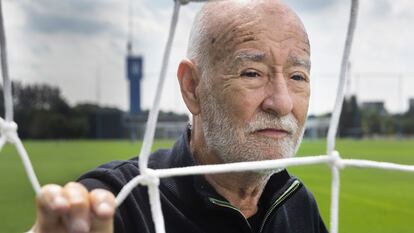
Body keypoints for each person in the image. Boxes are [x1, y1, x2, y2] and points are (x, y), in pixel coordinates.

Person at [31, 0, 328, 232]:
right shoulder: (121, 202)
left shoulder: (296, 202)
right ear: (192, 87)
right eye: (252, 73)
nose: (282, 103)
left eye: (298, 77)